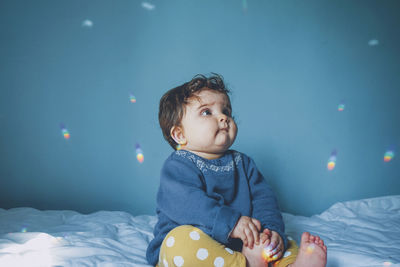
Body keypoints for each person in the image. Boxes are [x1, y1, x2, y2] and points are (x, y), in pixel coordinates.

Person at [146, 74, 327, 267]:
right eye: (207, 112)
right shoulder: (178, 166)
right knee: (179, 242)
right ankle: (245, 264)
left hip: (243, 244)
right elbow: (187, 203)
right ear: (179, 134)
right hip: (200, 244)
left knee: (283, 243)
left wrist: (270, 231)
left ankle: (293, 264)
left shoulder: (243, 163)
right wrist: (231, 223)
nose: (223, 117)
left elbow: (264, 200)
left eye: (226, 111)